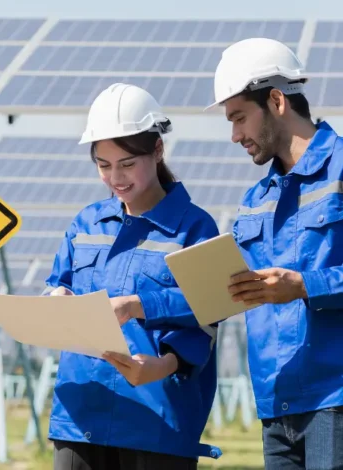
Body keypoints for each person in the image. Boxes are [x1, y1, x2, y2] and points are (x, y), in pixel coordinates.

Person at [207, 37, 343, 469]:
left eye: (239, 118)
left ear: (276, 100)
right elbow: (235, 291)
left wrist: (305, 285)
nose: (234, 136)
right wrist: (139, 305)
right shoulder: (256, 198)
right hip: (278, 400)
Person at [42, 82, 223, 470]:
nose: (115, 178)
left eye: (127, 164)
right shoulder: (86, 223)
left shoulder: (196, 228)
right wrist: (56, 302)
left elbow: (210, 312)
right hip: (80, 416)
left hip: (156, 416)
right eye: (103, 166)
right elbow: (60, 285)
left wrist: (161, 361)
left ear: (158, 151)